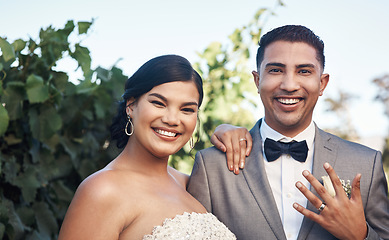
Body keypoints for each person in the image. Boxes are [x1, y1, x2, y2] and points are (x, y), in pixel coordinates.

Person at [187, 25, 389, 240]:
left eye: (304, 71)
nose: (290, 85)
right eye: (276, 70)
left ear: (322, 83)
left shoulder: (366, 164)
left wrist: (361, 236)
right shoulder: (212, 166)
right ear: (257, 80)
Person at [58, 55, 236, 239]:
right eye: (158, 103)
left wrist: (233, 133)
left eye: (187, 109)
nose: (172, 119)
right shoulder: (102, 191)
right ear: (131, 105)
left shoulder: (191, 184)